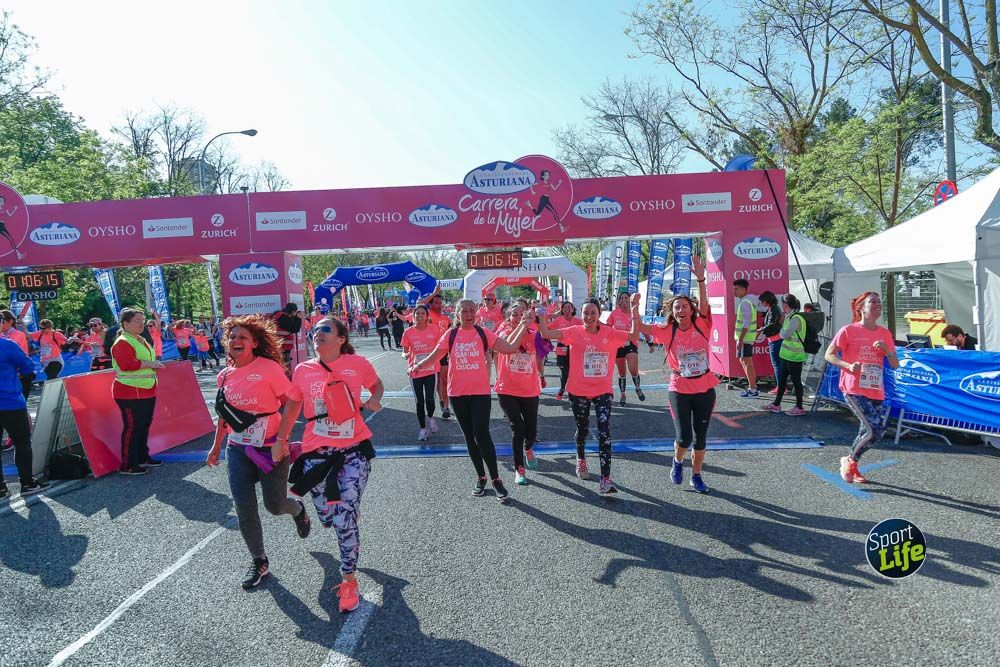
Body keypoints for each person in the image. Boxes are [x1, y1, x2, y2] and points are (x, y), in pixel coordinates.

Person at [275, 317, 384, 614]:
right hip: (316, 454)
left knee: (343, 516)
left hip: (353, 451)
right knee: (327, 516)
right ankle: (334, 512)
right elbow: (293, 405)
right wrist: (282, 439)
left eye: (325, 330)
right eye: (314, 330)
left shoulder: (357, 364)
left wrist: (374, 399)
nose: (317, 334)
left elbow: (376, 384)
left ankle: (348, 579)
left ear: (341, 338)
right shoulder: (303, 369)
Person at [206, 314, 310, 590]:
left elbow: (293, 402)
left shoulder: (268, 368)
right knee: (244, 507)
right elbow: (225, 415)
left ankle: (298, 509)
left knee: (274, 506)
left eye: (243, 337)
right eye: (232, 337)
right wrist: (216, 447)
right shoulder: (224, 375)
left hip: (269, 446)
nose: (236, 341)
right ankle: (259, 560)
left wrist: (282, 439)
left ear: (254, 343)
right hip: (238, 447)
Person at [409, 299, 529, 501]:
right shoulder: (451, 334)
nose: (469, 314)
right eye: (464, 311)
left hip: (480, 393)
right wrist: (418, 366)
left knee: (482, 434)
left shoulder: (483, 333)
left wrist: (524, 325)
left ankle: (496, 480)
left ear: (477, 313)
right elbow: (434, 356)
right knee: (469, 437)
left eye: (472, 310)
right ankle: (481, 477)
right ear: (458, 314)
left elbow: (509, 347)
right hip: (457, 394)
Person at [630, 256, 716, 493]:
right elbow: (640, 329)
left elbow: (705, 304)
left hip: (705, 387)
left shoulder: (703, 324)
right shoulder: (667, 331)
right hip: (679, 388)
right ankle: (677, 461)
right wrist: (634, 309)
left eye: (685, 306)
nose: (681, 310)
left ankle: (696, 476)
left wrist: (701, 279)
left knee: (701, 438)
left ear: (691, 309)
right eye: (677, 307)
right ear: (673, 312)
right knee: (684, 437)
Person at [537, 299, 632, 495]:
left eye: (593, 313)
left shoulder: (609, 332)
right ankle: (581, 458)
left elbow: (634, 336)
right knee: (583, 428)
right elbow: (546, 333)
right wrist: (541, 315)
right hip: (578, 390)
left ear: (599, 314)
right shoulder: (574, 331)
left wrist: (636, 312)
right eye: (586, 313)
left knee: (604, 432)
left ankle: (605, 479)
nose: (589, 317)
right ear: (581, 314)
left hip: (603, 390)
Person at [824, 291, 899, 484]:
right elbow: (829, 355)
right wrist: (848, 366)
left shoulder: (885, 334)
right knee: (875, 430)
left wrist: (887, 350)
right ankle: (850, 461)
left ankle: (852, 464)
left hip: (875, 388)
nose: (878, 304)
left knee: (866, 431)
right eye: (872, 302)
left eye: (879, 302)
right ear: (861, 308)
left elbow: (895, 364)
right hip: (853, 387)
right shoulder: (848, 330)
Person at [111, 308, 165, 475]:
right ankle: (128, 464)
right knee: (133, 428)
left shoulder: (140, 339)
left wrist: (152, 365)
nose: (141, 324)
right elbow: (127, 364)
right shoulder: (122, 342)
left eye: (143, 321)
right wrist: (151, 364)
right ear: (125, 324)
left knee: (143, 425)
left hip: (146, 389)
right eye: (137, 321)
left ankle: (142, 456)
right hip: (129, 391)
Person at [494, 303, 542, 484]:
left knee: (531, 432)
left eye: (522, 314)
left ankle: (528, 448)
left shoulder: (534, 335)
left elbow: (543, 354)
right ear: (508, 318)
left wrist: (542, 375)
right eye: (514, 314)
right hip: (507, 389)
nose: (518, 317)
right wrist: (522, 326)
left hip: (529, 390)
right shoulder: (503, 333)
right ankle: (519, 468)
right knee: (518, 428)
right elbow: (506, 345)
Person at [0, 334, 47, 497]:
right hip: (10, 402)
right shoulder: (7, 345)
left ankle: (1, 488)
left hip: (9, 401)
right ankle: (27, 483)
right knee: (22, 443)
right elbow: (28, 367)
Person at [400, 305, 440, 441]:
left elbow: (440, 348)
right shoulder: (408, 332)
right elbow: (404, 351)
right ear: (413, 316)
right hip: (415, 371)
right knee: (419, 402)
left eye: (423, 313)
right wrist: (405, 355)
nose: (420, 316)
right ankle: (423, 429)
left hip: (431, 370)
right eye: (417, 313)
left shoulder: (434, 330)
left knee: (430, 399)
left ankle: (431, 417)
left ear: (427, 316)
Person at [763, 294, 807, 416]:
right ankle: (776, 404)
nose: (781, 306)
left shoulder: (796, 318)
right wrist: (782, 332)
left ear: (786, 305)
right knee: (782, 382)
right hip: (787, 355)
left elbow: (783, 334)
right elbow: (783, 333)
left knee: (796, 382)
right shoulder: (790, 317)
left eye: (783, 303)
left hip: (795, 356)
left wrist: (782, 332)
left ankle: (799, 407)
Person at [604, 292, 645, 406]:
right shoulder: (614, 313)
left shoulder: (634, 313)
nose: (624, 300)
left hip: (631, 344)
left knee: (633, 369)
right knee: (622, 373)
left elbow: (641, 327)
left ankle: (637, 387)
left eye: (626, 298)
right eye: (621, 298)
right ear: (619, 301)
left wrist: (650, 342)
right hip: (618, 345)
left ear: (629, 300)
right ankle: (623, 395)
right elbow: (607, 327)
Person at [420, 289, 454, 420]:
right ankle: (441, 400)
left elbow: (451, 336)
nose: (439, 305)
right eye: (436, 303)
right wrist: (433, 293)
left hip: (444, 352)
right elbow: (420, 305)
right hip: (431, 352)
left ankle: (446, 406)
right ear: (431, 304)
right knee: (437, 381)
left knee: (444, 379)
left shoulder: (447, 319)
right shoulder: (428, 315)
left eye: (440, 303)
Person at [547, 301, 583, 400]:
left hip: (574, 348)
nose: (567, 310)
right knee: (564, 371)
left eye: (569, 307)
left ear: (573, 309)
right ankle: (563, 388)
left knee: (573, 371)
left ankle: (571, 391)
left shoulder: (578, 321)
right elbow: (548, 329)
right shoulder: (559, 320)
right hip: (561, 347)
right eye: (565, 308)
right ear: (562, 310)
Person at [733, 279, 759, 397]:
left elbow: (746, 323)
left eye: (736, 289)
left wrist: (740, 339)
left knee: (746, 362)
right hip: (747, 338)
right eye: (734, 289)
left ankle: (752, 390)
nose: (734, 291)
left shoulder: (745, 303)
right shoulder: (748, 301)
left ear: (744, 290)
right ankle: (753, 387)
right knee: (746, 362)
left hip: (745, 339)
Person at [0, 310, 31, 398]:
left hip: (19, 374)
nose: (1, 324)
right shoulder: (2, 336)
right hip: (6, 374)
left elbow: (13, 353)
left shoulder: (18, 334)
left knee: (19, 399)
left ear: (10, 321)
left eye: (3, 322)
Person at [758, 291, 783, 394]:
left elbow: (771, 324)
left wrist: (760, 329)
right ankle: (781, 386)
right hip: (775, 339)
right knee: (778, 364)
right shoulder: (773, 308)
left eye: (763, 301)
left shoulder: (774, 309)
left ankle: (780, 387)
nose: (762, 303)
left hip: (775, 339)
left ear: (767, 300)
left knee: (777, 365)